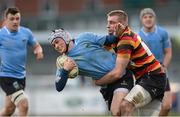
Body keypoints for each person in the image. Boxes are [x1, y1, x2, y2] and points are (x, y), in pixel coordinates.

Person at [93, 10, 167, 116]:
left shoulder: (125, 39)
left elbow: (118, 73)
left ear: (121, 24)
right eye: (108, 22)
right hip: (149, 79)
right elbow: (102, 52)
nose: (108, 26)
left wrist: (98, 81)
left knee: (126, 105)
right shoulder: (118, 39)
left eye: (112, 22)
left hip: (153, 78)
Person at [48, 28, 134, 116]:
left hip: (121, 74)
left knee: (117, 110)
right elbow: (58, 87)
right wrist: (65, 70)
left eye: (57, 42)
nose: (56, 46)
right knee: (118, 113)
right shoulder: (64, 62)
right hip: (106, 84)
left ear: (65, 37)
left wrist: (118, 33)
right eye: (54, 45)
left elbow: (109, 40)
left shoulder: (84, 37)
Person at [0, 7, 44, 116]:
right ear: (5, 19)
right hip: (7, 76)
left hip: (21, 77)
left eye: (17, 18)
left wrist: (39, 51)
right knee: (24, 104)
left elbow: (36, 45)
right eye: (12, 19)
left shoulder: (26, 32)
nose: (15, 21)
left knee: (9, 110)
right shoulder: (1, 34)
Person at [138, 8, 172, 116]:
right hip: (146, 75)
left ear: (154, 18)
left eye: (150, 16)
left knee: (167, 106)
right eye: (145, 17)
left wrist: (164, 66)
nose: (148, 19)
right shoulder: (138, 36)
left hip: (161, 73)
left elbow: (168, 52)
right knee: (145, 109)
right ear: (141, 20)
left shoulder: (163, 33)